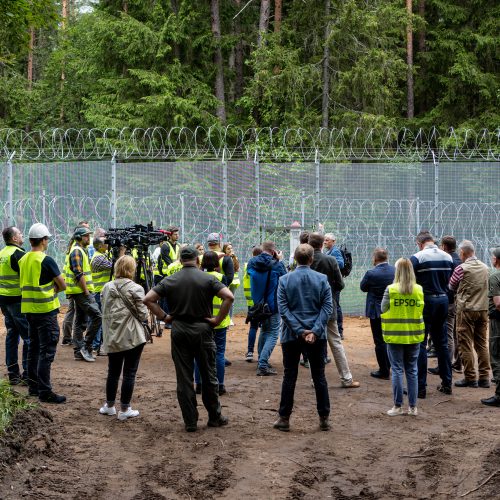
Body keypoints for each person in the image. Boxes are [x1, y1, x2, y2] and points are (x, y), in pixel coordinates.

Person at [143, 246, 233, 432]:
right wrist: (217, 320)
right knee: (208, 375)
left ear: (180, 260)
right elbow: (229, 297)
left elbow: (148, 299)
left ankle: (190, 421)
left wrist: (165, 317)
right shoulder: (207, 278)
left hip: (179, 329)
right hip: (202, 329)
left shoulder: (171, 279)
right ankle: (215, 417)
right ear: (197, 261)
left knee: (184, 377)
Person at [273, 244, 333, 432]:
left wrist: (300, 331)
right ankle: (324, 418)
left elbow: (283, 310)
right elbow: (327, 308)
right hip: (317, 335)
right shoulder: (322, 279)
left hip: (291, 335)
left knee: (289, 375)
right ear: (311, 259)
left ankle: (284, 419)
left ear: (295, 259)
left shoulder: (284, 280)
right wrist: (314, 331)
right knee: (319, 376)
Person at [19, 223, 66, 403]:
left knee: (33, 350)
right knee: (46, 353)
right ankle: (45, 391)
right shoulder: (46, 260)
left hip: (29, 312)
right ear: (44, 240)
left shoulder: (23, 259)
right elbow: (62, 285)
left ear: (31, 240)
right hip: (45, 312)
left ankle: (33, 387)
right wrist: (53, 290)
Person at [98, 255, 148, 420]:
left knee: (112, 371)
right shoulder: (136, 288)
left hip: (112, 336)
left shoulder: (106, 287)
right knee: (129, 373)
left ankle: (109, 405)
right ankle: (125, 409)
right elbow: (143, 315)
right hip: (132, 336)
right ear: (131, 270)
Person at [309, 233, 360, 388]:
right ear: (322, 244)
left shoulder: (306, 260)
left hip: (311, 308)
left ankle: (315, 379)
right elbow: (340, 284)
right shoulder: (330, 260)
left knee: (314, 343)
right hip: (328, 306)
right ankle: (346, 378)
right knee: (336, 342)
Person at [411, 231, 454, 398]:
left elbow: (411, 281)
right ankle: (447, 383)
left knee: (421, 343)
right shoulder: (447, 257)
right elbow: (449, 280)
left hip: (425, 301)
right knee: (442, 343)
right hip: (443, 300)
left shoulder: (417, 257)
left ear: (420, 243)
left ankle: (420, 388)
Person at [381, 258, 424, 416]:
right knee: (412, 370)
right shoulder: (418, 289)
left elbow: (383, 308)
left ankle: (398, 406)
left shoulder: (391, 289)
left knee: (397, 370)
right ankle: (413, 407)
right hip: (413, 334)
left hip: (394, 335)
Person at [448, 240, 490, 388]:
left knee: (465, 344)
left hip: (466, 310)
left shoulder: (461, 268)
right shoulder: (485, 268)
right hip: (483, 309)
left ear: (463, 253)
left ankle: (470, 377)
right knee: (481, 344)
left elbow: (451, 286)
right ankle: (485, 378)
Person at [247, 241, 287, 376]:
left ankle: (261, 361)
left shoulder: (252, 262)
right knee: (273, 333)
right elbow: (285, 278)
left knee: (264, 330)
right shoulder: (277, 264)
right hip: (273, 304)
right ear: (273, 250)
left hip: (258, 304)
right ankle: (263, 365)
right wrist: (278, 260)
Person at [63, 226, 102, 362]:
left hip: (79, 291)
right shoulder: (77, 251)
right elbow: (78, 273)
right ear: (79, 237)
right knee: (97, 316)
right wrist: (86, 292)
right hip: (80, 291)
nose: (88, 238)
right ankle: (86, 347)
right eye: (86, 236)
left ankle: (79, 351)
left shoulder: (79, 250)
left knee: (80, 321)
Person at [194, 251, 231, 395]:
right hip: (219, 321)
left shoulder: (198, 277)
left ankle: (199, 384)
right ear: (217, 264)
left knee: (199, 353)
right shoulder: (222, 277)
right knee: (219, 353)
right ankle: (220, 385)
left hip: (202, 321)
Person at [0, 226, 30, 385]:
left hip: (4, 301)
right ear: (14, 239)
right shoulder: (19, 254)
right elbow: (28, 276)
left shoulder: (1, 254)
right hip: (18, 301)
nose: (22, 235)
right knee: (28, 336)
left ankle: (13, 374)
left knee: (12, 335)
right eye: (19, 233)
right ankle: (27, 374)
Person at [360, 247, 395, 380]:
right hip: (391, 310)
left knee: (379, 341)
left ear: (375, 258)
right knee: (390, 338)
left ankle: (384, 370)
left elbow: (363, 287)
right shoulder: (395, 271)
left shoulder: (371, 273)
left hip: (376, 311)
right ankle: (391, 365)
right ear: (386, 257)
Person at [90, 237, 121, 354]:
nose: (108, 245)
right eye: (105, 243)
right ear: (99, 246)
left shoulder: (102, 255)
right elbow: (116, 268)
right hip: (99, 292)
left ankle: (98, 344)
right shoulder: (98, 258)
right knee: (101, 319)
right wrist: (121, 253)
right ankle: (96, 345)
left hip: (101, 292)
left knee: (103, 318)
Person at [481, 246, 500, 407]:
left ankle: (499, 395)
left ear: (496, 260)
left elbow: (498, 303)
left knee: (496, 357)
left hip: (497, 322)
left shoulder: (495, 276)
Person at [324, 233, 345, 339]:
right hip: (330, 282)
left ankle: (340, 331)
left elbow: (341, 264)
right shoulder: (329, 251)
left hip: (334, 283)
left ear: (333, 241)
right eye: (324, 240)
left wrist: (329, 262)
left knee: (336, 305)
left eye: (327, 240)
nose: (325, 242)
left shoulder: (335, 251)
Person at [243, 246, 262, 362]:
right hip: (262, 302)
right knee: (264, 329)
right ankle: (261, 354)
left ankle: (250, 352)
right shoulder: (263, 267)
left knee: (253, 327)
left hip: (251, 302)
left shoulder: (248, 266)